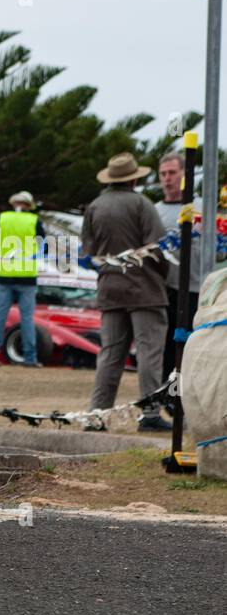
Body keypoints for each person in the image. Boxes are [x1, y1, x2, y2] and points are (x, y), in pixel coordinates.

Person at [83, 153, 171, 432]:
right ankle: (150, 412)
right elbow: (157, 247)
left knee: (109, 354)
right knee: (149, 354)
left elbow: (88, 252)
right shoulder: (141, 204)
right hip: (144, 289)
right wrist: (163, 276)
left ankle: (97, 414)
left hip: (110, 289)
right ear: (134, 178)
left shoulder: (95, 206)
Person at [154, 152, 212, 382]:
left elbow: (218, 250)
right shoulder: (154, 212)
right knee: (168, 345)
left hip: (198, 289)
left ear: (183, 174)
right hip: (167, 290)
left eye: (172, 173)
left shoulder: (202, 208)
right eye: (163, 174)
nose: (167, 178)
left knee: (196, 346)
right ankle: (168, 396)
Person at [0, 191, 48, 367]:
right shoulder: (34, 221)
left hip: (5, 274)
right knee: (26, 318)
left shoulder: (2, 218)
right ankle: (29, 358)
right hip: (27, 276)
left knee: (0, 316)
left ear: (14, 204)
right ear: (28, 205)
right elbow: (44, 248)